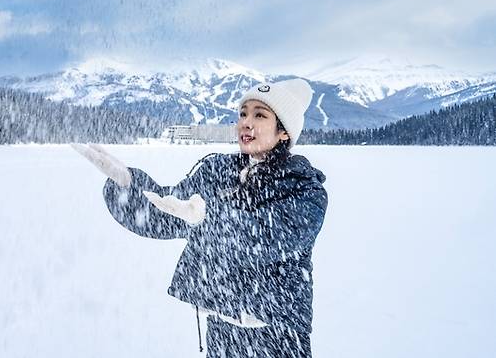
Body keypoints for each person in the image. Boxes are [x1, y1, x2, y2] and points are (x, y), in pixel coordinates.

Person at [72, 78, 328, 357]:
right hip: (222, 327)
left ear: (284, 133)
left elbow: (267, 239)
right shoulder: (217, 171)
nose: (246, 122)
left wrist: (208, 217)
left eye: (260, 115)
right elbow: (168, 211)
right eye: (243, 113)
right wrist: (128, 187)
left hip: (276, 334)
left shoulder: (306, 189)